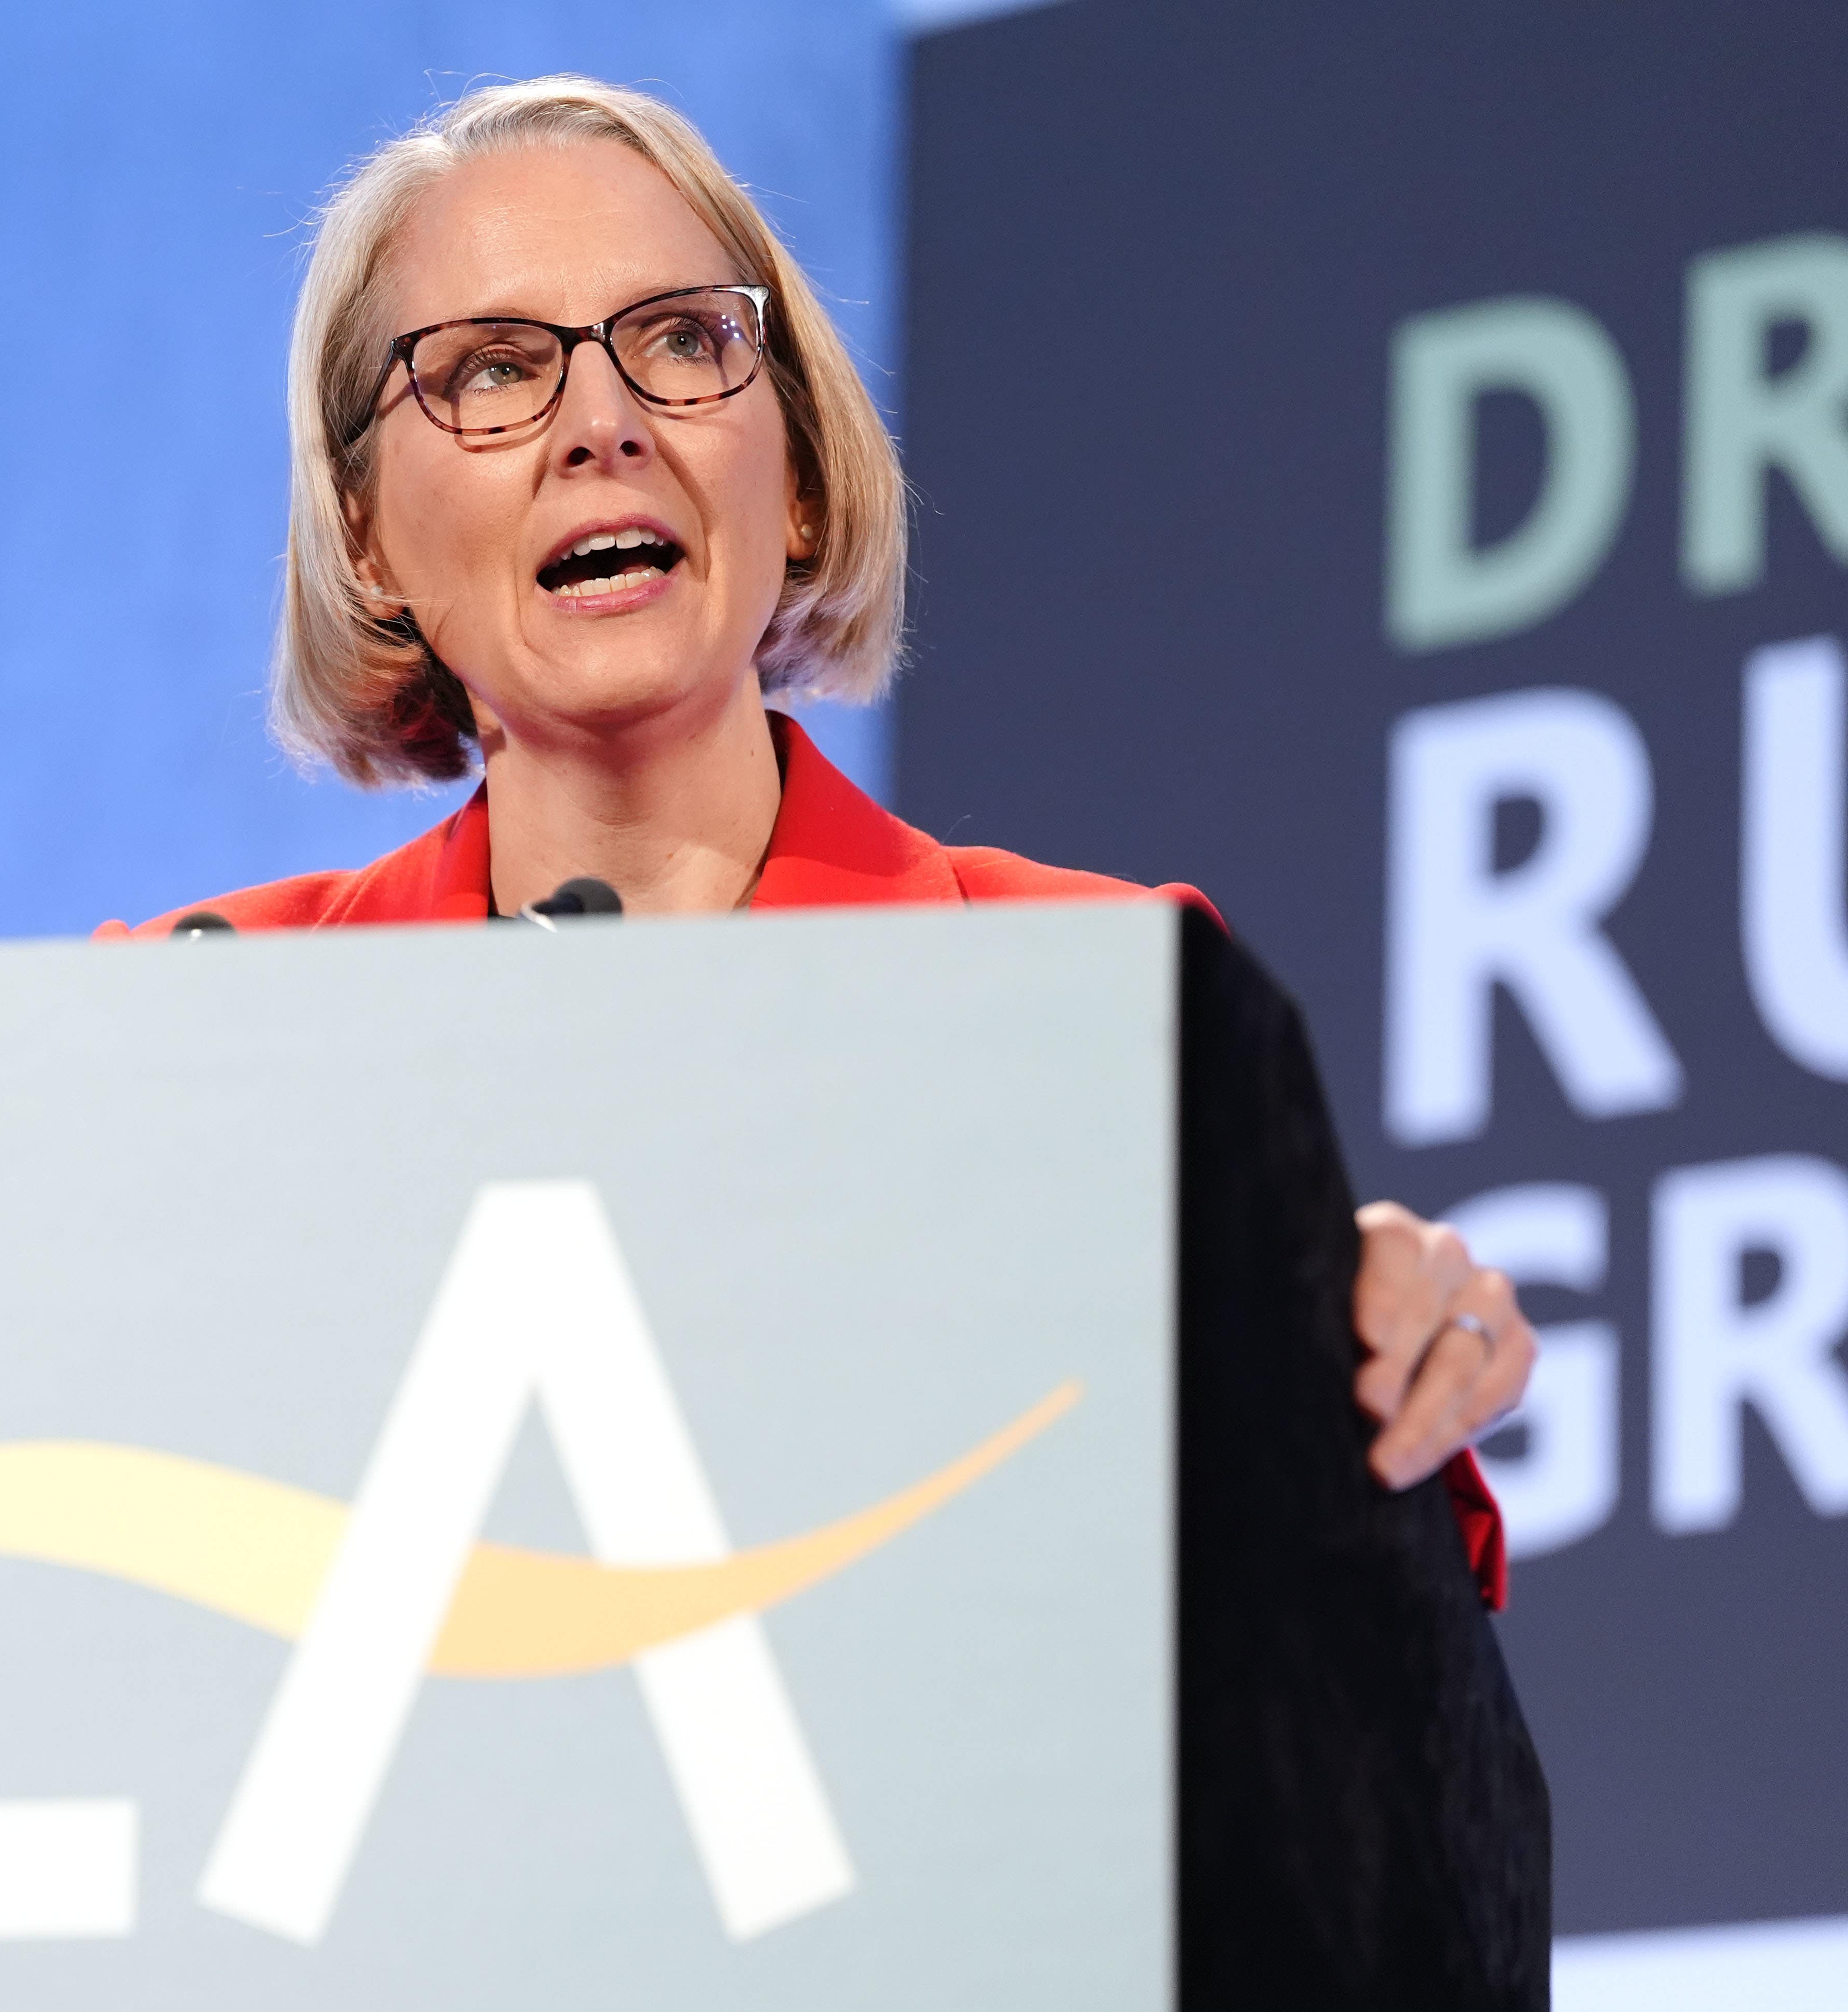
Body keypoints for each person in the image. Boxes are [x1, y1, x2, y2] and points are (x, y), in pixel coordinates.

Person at [100, 76, 1532, 1598]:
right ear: (369, 532)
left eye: (682, 342)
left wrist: (1380, 1361)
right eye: (493, 370)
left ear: (793, 479)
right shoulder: (211, 1023)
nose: (603, 424)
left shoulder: (1099, 1001)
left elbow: (1322, 1666)